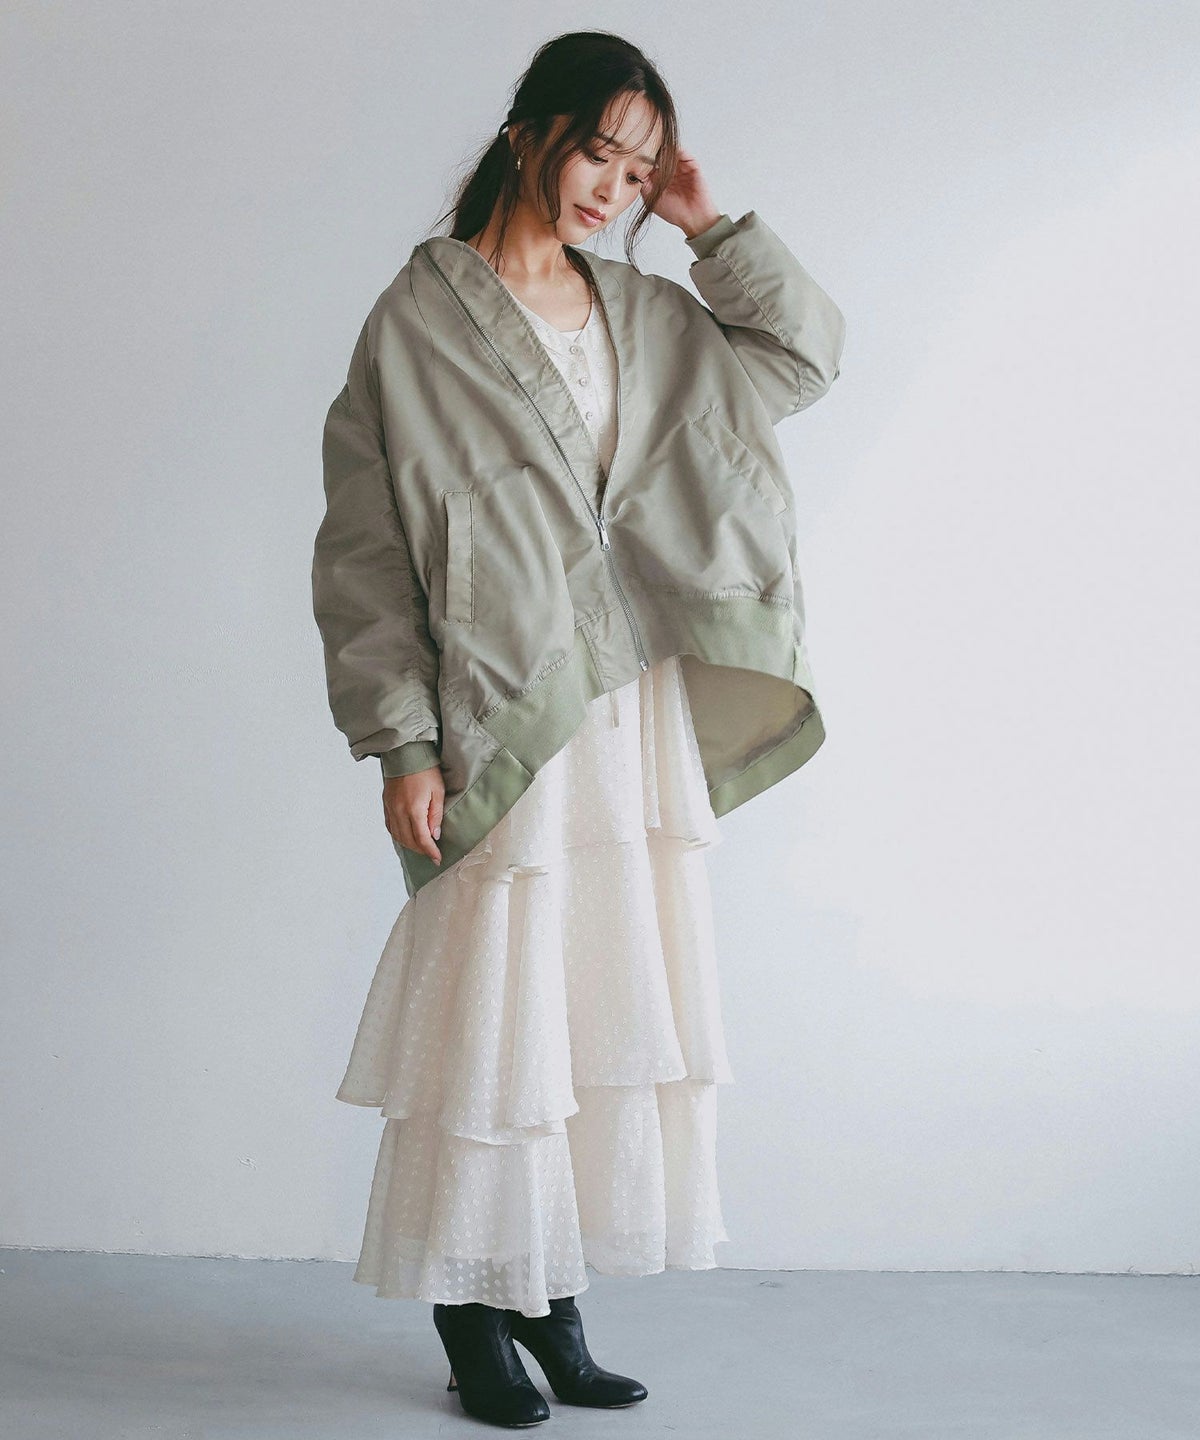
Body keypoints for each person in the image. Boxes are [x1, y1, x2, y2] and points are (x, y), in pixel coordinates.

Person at [312, 29, 845, 1430]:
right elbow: (367, 551)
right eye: (597, 152)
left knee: (594, 997)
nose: (614, 186)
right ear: (526, 135)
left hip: (629, 705)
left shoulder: (650, 313)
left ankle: (552, 1300)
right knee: (497, 1012)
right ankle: (470, 1308)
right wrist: (402, 742)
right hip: (504, 703)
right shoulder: (417, 322)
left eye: (638, 166)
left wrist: (710, 227)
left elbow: (801, 357)